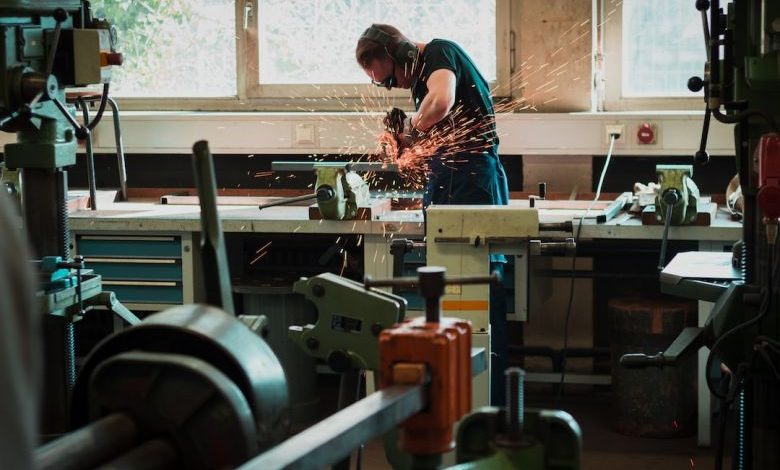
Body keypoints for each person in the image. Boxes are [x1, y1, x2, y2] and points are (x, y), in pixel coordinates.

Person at [356, 24, 510, 406]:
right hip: (450, 178)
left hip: (472, 180)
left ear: (402, 53)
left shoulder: (440, 53)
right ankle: (458, 394)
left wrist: (408, 131)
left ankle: (487, 401)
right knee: (452, 292)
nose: (392, 85)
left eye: (389, 77)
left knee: (479, 291)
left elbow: (441, 103)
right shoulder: (418, 78)